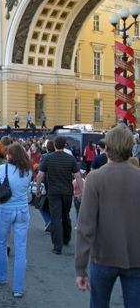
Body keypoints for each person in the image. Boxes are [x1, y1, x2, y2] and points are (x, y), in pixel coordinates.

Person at [75, 126, 140, 307]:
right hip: (136, 258)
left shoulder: (95, 178)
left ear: (107, 147)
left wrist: (80, 268)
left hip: (104, 256)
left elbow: (85, 226)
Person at [0, 142, 32, 298]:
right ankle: (18, 287)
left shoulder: (4, 168)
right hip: (22, 210)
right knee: (21, 248)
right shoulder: (27, 170)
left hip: (6, 209)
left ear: (11, 155)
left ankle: (1, 276)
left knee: (2, 243)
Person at [36, 136, 83, 255]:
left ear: (55, 145)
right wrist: (82, 191)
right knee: (66, 215)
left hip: (53, 192)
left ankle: (57, 246)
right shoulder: (70, 159)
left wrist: (37, 189)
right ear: (65, 145)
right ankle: (66, 238)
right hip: (67, 191)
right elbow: (77, 176)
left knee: (55, 217)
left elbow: (40, 175)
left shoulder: (47, 158)